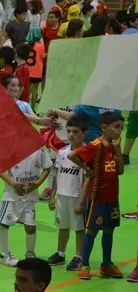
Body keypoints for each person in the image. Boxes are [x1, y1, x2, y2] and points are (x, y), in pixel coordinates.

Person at [69, 110, 126, 280]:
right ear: (104, 127)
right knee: (92, 230)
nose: (119, 131)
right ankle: (84, 264)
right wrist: (87, 169)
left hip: (112, 197)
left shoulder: (114, 146)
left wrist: (117, 150)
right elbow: (73, 155)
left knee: (109, 230)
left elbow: (120, 171)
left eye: (122, 128)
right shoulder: (95, 145)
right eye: (116, 127)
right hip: (98, 198)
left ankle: (106, 264)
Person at [0, 147, 52, 266]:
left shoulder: (40, 151)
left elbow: (47, 168)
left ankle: (30, 253)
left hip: (30, 196)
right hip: (11, 195)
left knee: (31, 227)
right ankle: (4, 255)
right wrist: (13, 183)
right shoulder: (10, 149)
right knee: (4, 223)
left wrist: (37, 184)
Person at [47, 116, 88, 271]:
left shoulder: (87, 153)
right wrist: (52, 196)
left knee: (79, 228)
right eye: (69, 131)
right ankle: (60, 253)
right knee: (62, 225)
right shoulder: (62, 152)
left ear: (84, 133)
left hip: (77, 196)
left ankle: (79, 256)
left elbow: (87, 178)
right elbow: (57, 175)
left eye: (75, 132)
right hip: (62, 195)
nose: (71, 135)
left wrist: (82, 200)